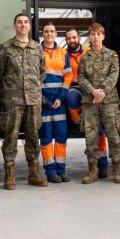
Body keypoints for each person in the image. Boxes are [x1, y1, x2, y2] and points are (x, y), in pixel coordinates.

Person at [0, 12, 49, 189]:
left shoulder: (36, 47)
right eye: (19, 22)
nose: (23, 25)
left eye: (26, 22)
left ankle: (34, 173)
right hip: (13, 99)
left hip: (33, 99)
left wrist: (32, 86)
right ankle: (9, 174)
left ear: (29, 26)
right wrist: (11, 88)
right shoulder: (5, 47)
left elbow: (42, 72)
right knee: (10, 136)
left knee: (33, 135)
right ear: (14, 25)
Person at [76, 22, 120, 184]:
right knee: (90, 136)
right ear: (89, 37)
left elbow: (114, 74)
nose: (96, 37)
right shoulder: (84, 57)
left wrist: (101, 91)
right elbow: (80, 77)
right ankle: (92, 171)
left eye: (98, 34)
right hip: (90, 102)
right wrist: (92, 91)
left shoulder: (112, 55)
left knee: (113, 135)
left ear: (103, 36)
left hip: (109, 101)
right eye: (92, 34)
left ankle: (117, 169)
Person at [64, 27, 109, 178]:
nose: (72, 40)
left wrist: (96, 92)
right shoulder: (63, 55)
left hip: (93, 90)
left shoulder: (89, 52)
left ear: (79, 38)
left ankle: (102, 164)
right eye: (69, 38)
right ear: (66, 40)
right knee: (71, 97)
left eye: (74, 37)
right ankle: (79, 121)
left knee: (99, 130)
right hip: (76, 88)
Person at [39, 23, 73, 183]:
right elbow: (33, 76)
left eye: (52, 31)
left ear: (56, 34)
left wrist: (61, 97)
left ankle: (61, 169)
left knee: (61, 136)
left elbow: (68, 76)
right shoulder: (37, 51)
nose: (49, 34)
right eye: (46, 31)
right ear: (42, 34)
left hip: (59, 102)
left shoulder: (63, 53)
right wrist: (42, 99)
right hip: (44, 103)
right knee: (46, 136)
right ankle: (50, 171)